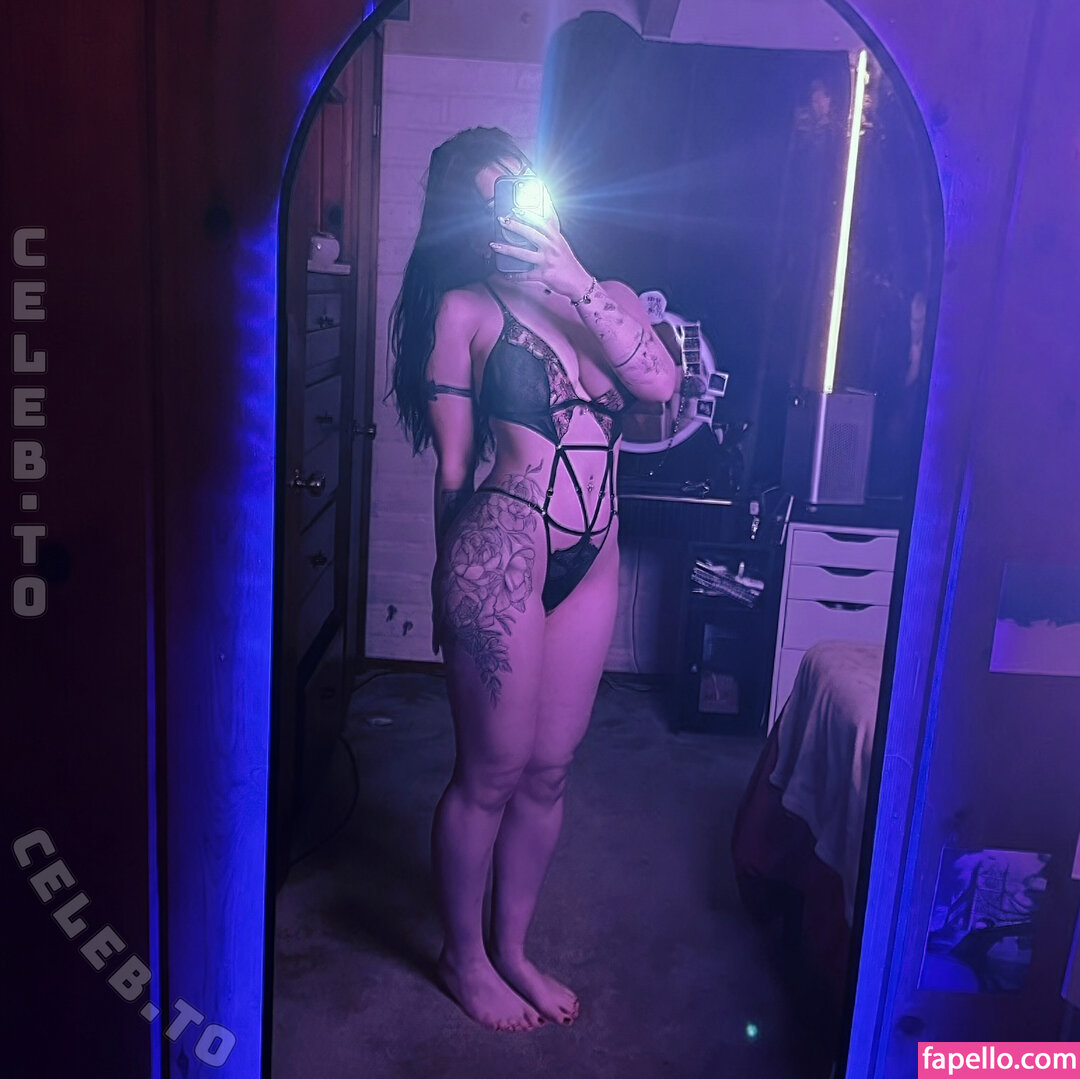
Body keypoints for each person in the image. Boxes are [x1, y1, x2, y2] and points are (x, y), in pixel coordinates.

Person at [391, 126, 677, 1033]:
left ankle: (510, 947)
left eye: (520, 188)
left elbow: (659, 385)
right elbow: (453, 468)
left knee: (550, 772)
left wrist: (571, 272)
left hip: (596, 555)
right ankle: (462, 955)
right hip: (502, 551)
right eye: (489, 203)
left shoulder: (609, 296)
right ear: (465, 224)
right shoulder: (464, 310)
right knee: (492, 770)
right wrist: (444, 582)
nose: (509, 213)